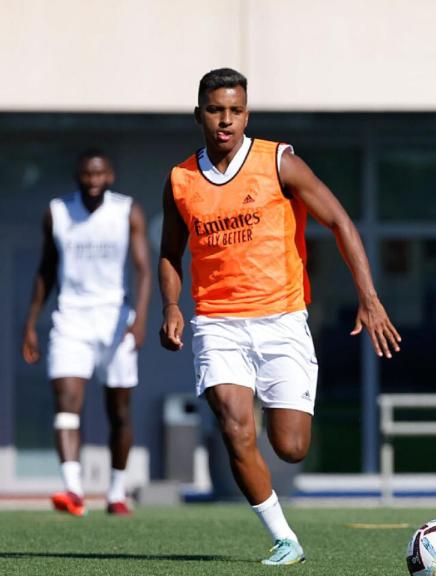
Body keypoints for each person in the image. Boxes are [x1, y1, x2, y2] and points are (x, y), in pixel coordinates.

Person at [158, 68, 401, 566]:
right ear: (199, 114)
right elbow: (169, 251)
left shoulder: (279, 162)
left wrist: (369, 296)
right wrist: (171, 306)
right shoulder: (181, 179)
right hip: (217, 322)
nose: (226, 120)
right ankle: (283, 538)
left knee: (290, 446)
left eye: (235, 110)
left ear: (247, 114)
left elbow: (339, 221)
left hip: (282, 319)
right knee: (235, 427)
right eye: (215, 110)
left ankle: (278, 415)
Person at [22, 149, 151, 517]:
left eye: (100, 174)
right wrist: (31, 323)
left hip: (115, 319)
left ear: (110, 176)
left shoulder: (127, 211)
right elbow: (46, 270)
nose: (93, 180)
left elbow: (143, 269)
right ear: (78, 176)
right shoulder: (58, 212)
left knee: (119, 411)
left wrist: (141, 318)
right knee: (66, 403)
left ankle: (116, 491)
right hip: (71, 318)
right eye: (87, 174)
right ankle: (73, 490)